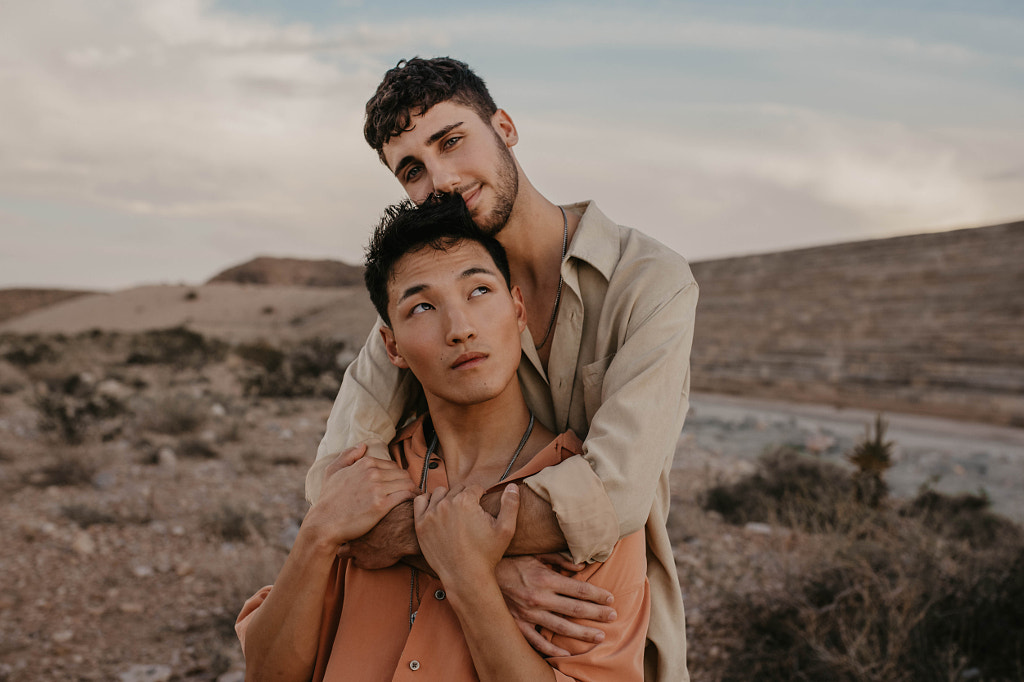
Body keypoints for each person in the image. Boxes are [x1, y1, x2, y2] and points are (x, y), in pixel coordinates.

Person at [306, 57, 698, 681]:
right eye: (412, 170)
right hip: (457, 629)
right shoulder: (435, 306)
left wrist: (456, 551)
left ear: (506, 128)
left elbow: (612, 495)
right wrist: (472, 568)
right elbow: (331, 486)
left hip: (591, 613)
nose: (441, 179)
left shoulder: (647, 282)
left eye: (451, 140)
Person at [237, 197, 651, 680]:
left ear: (517, 310)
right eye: (423, 307)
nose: (460, 329)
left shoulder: (587, 511)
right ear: (393, 347)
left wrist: (469, 578)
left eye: (478, 291)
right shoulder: (362, 487)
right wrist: (318, 532)